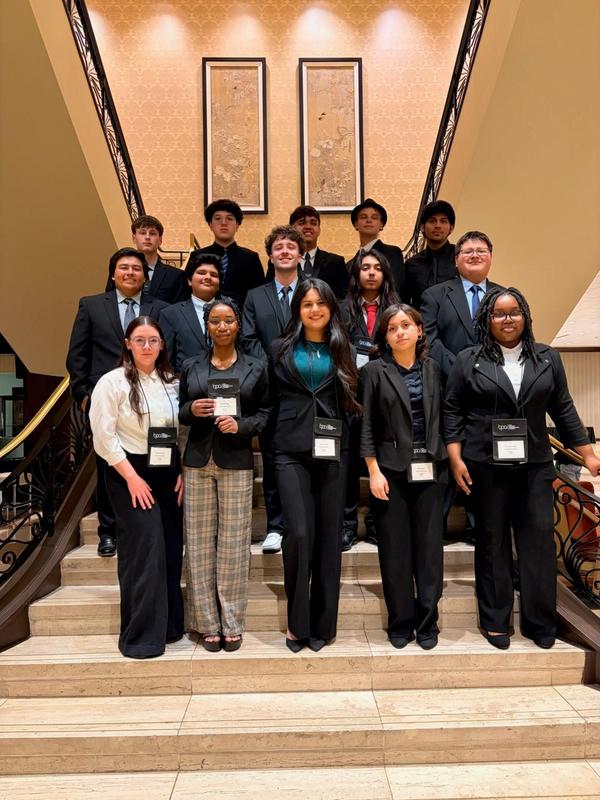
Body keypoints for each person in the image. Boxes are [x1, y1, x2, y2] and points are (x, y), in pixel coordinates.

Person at [444, 287, 600, 650]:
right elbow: (452, 411)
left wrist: (588, 455)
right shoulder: (469, 359)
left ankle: (540, 621)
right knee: (493, 541)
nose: (508, 319)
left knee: (538, 543)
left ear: (525, 316)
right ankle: (496, 621)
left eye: (514, 312)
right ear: (487, 320)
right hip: (485, 465)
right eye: (499, 313)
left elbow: (563, 409)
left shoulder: (547, 357)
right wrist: (455, 458)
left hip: (534, 466)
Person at [271, 278, 359, 653]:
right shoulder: (279, 348)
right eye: (306, 304)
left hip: (331, 449)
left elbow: (351, 402)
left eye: (320, 303)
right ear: (298, 310)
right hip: (289, 449)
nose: (314, 309)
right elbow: (269, 399)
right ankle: (298, 623)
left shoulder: (344, 349)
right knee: (300, 533)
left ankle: (323, 623)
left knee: (327, 537)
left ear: (330, 309)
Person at [179, 297, 271, 652]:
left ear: (237, 325)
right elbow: (180, 410)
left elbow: (265, 412)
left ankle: (231, 621)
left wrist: (242, 425)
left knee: (234, 544)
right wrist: (192, 408)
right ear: (207, 325)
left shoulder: (256, 367)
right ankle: (206, 623)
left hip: (236, 460)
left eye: (228, 320)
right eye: (215, 320)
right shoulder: (191, 366)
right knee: (200, 545)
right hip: (198, 461)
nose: (221, 326)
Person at [88, 316, 184, 658]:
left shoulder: (171, 381)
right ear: (128, 343)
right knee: (144, 551)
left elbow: (178, 431)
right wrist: (131, 477)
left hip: (167, 471)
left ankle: (171, 627)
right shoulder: (111, 383)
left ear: (162, 345)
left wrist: (181, 470)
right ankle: (140, 637)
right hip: (128, 472)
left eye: (153, 340)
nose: (147, 346)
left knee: (171, 549)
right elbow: (103, 437)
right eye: (140, 340)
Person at [67, 248, 169, 556]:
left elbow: (168, 349)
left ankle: (154, 519)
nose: (130, 273)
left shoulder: (160, 309)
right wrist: (84, 394)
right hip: (108, 398)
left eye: (136, 268)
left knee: (152, 461)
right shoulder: (92, 305)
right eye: (123, 268)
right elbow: (77, 355)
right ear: (113, 274)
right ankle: (107, 531)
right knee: (107, 465)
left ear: (145, 275)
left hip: (150, 398)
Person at [360, 304, 447, 649]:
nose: (400, 332)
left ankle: (428, 623)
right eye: (392, 327)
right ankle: (401, 622)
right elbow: (366, 426)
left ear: (419, 330)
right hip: (390, 472)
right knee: (395, 551)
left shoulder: (434, 369)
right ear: (385, 336)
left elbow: (445, 416)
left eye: (406, 325)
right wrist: (373, 471)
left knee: (429, 551)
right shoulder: (374, 372)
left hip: (430, 470)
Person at [242, 225, 306, 554]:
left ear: (300, 254)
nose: (284, 251)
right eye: (278, 247)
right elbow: (249, 339)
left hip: (308, 390)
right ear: (270, 255)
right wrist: (273, 369)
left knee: (307, 458)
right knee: (271, 458)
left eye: (290, 247)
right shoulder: (255, 296)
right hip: (269, 390)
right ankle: (276, 526)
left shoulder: (314, 291)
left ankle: (305, 524)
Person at [340, 249, 400, 550]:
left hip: (386, 392)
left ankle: (378, 523)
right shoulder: (342, 309)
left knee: (384, 459)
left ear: (385, 274)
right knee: (350, 462)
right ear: (357, 274)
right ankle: (348, 525)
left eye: (378, 268)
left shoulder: (397, 309)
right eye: (365, 268)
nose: (372, 273)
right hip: (351, 393)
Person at [421, 230, 502, 382]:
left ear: (490, 258)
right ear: (456, 260)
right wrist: (459, 370)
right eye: (468, 251)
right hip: (450, 383)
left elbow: (512, 339)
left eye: (481, 251)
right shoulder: (434, 295)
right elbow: (429, 340)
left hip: (496, 381)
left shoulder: (504, 296)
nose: (475, 255)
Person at [190, 199, 265, 309]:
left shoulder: (251, 258)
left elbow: (258, 295)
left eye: (229, 218)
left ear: (237, 225)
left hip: (241, 316)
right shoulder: (198, 256)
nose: (224, 223)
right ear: (210, 225)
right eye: (218, 218)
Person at [266, 206, 348, 299]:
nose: (308, 227)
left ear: (319, 230)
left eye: (313, 223)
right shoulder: (280, 260)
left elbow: (343, 299)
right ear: (291, 229)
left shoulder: (336, 262)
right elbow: (269, 295)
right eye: (302, 223)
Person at [159, 253, 222, 373]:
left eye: (214, 275)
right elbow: (166, 360)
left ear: (218, 284)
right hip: (185, 386)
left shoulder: (231, 312)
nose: (208, 277)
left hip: (225, 386)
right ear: (189, 280)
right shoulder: (170, 314)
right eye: (201, 273)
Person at [105, 215, 188, 304]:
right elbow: (109, 301)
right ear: (134, 238)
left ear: (160, 239)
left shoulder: (176, 275)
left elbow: (178, 310)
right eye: (142, 233)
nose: (147, 237)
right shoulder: (120, 271)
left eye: (152, 233)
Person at [347, 198, 405, 299]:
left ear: (381, 225)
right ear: (356, 224)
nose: (369, 220)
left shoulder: (392, 253)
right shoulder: (349, 265)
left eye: (374, 217)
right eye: (363, 217)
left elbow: (396, 288)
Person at [404, 200, 457, 310]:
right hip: (422, 324)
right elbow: (405, 302)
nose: (437, 226)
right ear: (422, 227)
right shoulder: (412, 264)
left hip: (455, 324)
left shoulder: (461, 257)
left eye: (443, 221)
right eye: (432, 221)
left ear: (451, 228)